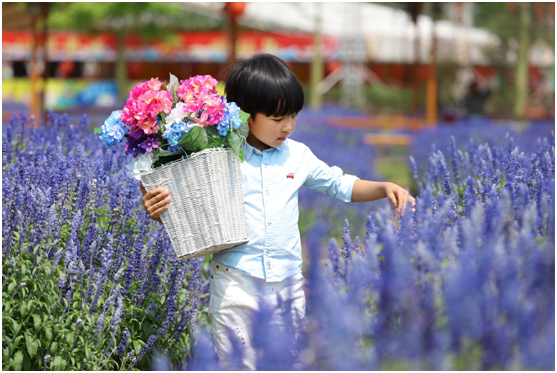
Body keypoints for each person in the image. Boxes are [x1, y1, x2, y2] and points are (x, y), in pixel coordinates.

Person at [139, 53, 415, 370]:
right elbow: (182, 195)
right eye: (276, 118)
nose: (287, 127)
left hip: (288, 285)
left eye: (293, 116)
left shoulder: (297, 156)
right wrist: (156, 206)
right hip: (235, 282)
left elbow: (339, 184)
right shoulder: (220, 154)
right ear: (245, 115)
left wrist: (383, 188)